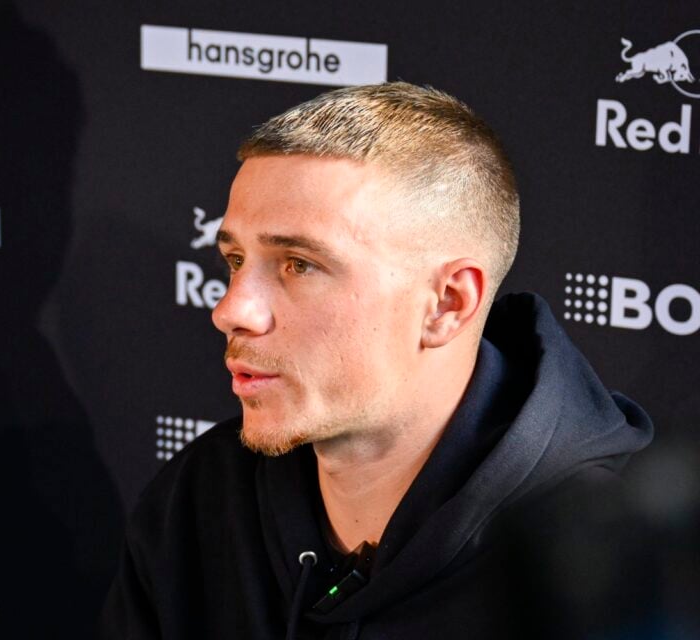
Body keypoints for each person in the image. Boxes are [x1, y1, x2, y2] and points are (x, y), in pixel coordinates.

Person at [100, 82, 653, 638]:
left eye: (298, 264)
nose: (230, 309)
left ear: (447, 304)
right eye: (235, 259)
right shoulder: (199, 501)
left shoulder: (601, 568)